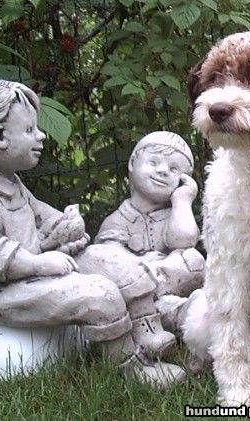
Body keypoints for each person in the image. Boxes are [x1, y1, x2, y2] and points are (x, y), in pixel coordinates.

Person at [0, 80, 185, 386]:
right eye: (29, 131)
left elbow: (40, 214)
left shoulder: (11, 184)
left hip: (34, 268)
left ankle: (148, 332)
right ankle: (131, 369)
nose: (40, 136)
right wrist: (39, 264)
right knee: (99, 294)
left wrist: (65, 227)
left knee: (109, 258)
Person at [78, 132, 205, 352]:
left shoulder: (173, 216)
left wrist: (183, 201)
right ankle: (169, 318)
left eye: (175, 170)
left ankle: (181, 314)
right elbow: (108, 258)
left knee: (192, 259)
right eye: (153, 162)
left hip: (165, 292)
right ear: (132, 164)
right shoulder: (119, 219)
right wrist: (143, 269)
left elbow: (185, 240)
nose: (163, 170)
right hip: (129, 292)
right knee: (103, 259)